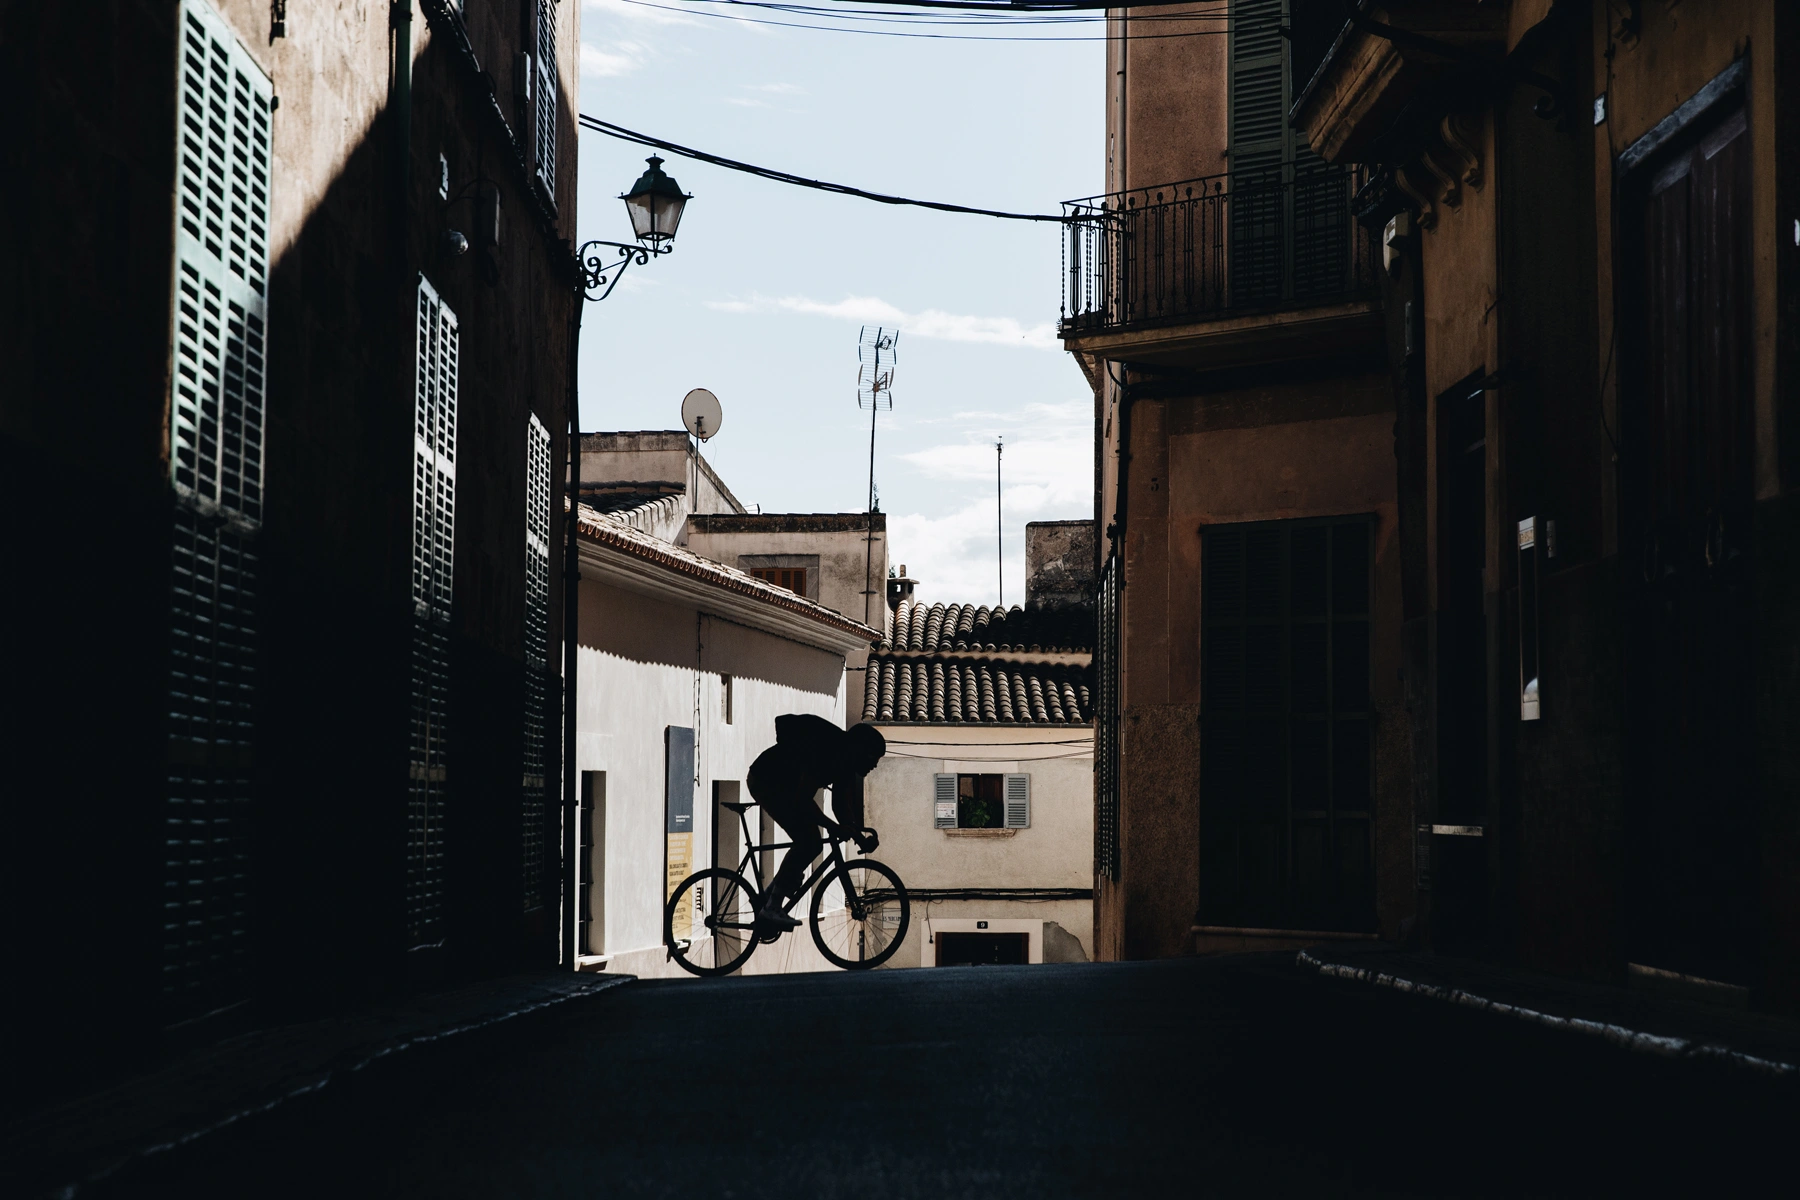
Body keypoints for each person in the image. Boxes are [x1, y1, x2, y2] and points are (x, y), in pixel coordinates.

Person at [745, 714, 885, 933]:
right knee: (809, 842)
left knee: (810, 841)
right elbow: (802, 799)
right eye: (873, 757)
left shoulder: (846, 763)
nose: (875, 765)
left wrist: (857, 834)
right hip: (767, 780)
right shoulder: (829, 752)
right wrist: (834, 826)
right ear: (860, 751)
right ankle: (772, 906)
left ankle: (766, 899)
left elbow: (840, 805)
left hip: (783, 787)